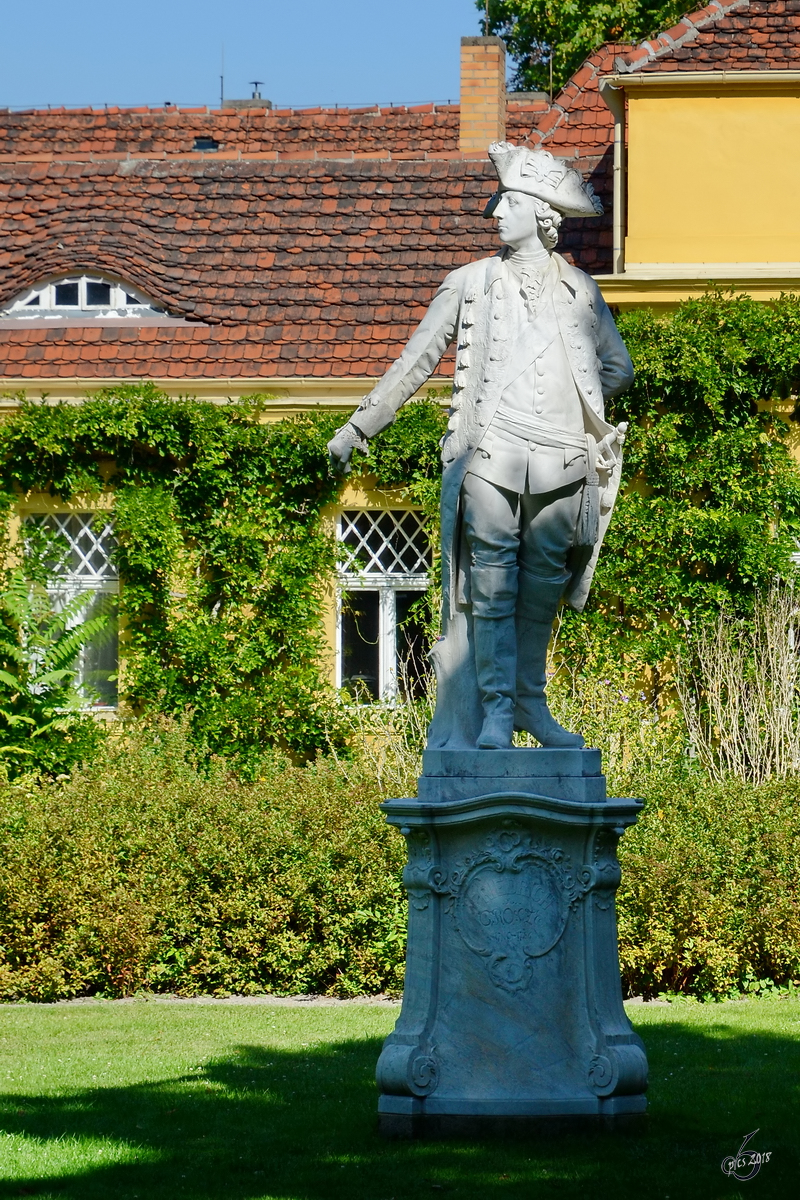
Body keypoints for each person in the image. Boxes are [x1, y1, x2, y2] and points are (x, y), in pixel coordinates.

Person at [328, 142, 633, 751]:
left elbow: (617, 367)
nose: (495, 213)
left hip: (563, 459)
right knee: (489, 587)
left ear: (541, 215)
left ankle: (533, 708)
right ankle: (495, 713)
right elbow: (416, 360)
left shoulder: (578, 289)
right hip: (490, 452)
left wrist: (576, 395)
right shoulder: (469, 283)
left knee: (541, 588)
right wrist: (361, 424)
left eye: (509, 203)